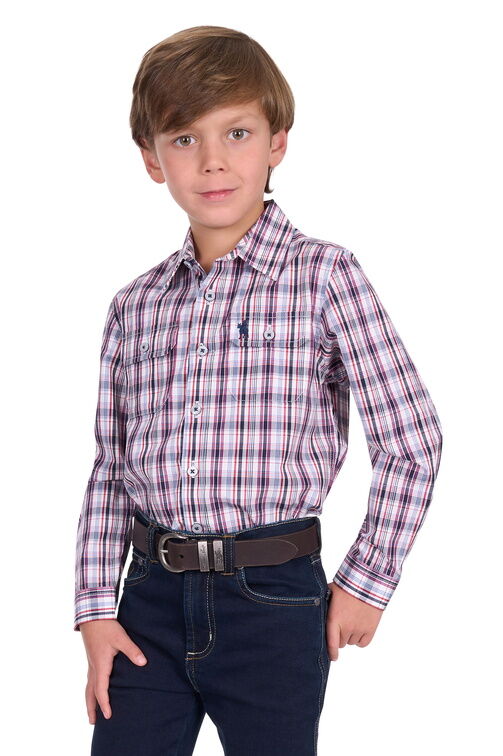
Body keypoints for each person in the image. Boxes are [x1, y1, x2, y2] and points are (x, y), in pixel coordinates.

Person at [74, 25, 443, 756]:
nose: (212, 161)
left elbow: (412, 441)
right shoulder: (135, 305)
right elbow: (111, 469)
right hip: (147, 604)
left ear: (276, 142)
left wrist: (366, 582)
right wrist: (94, 610)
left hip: (273, 600)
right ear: (151, 157)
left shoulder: (325, 277)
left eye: (236, 133)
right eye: (184, 139)